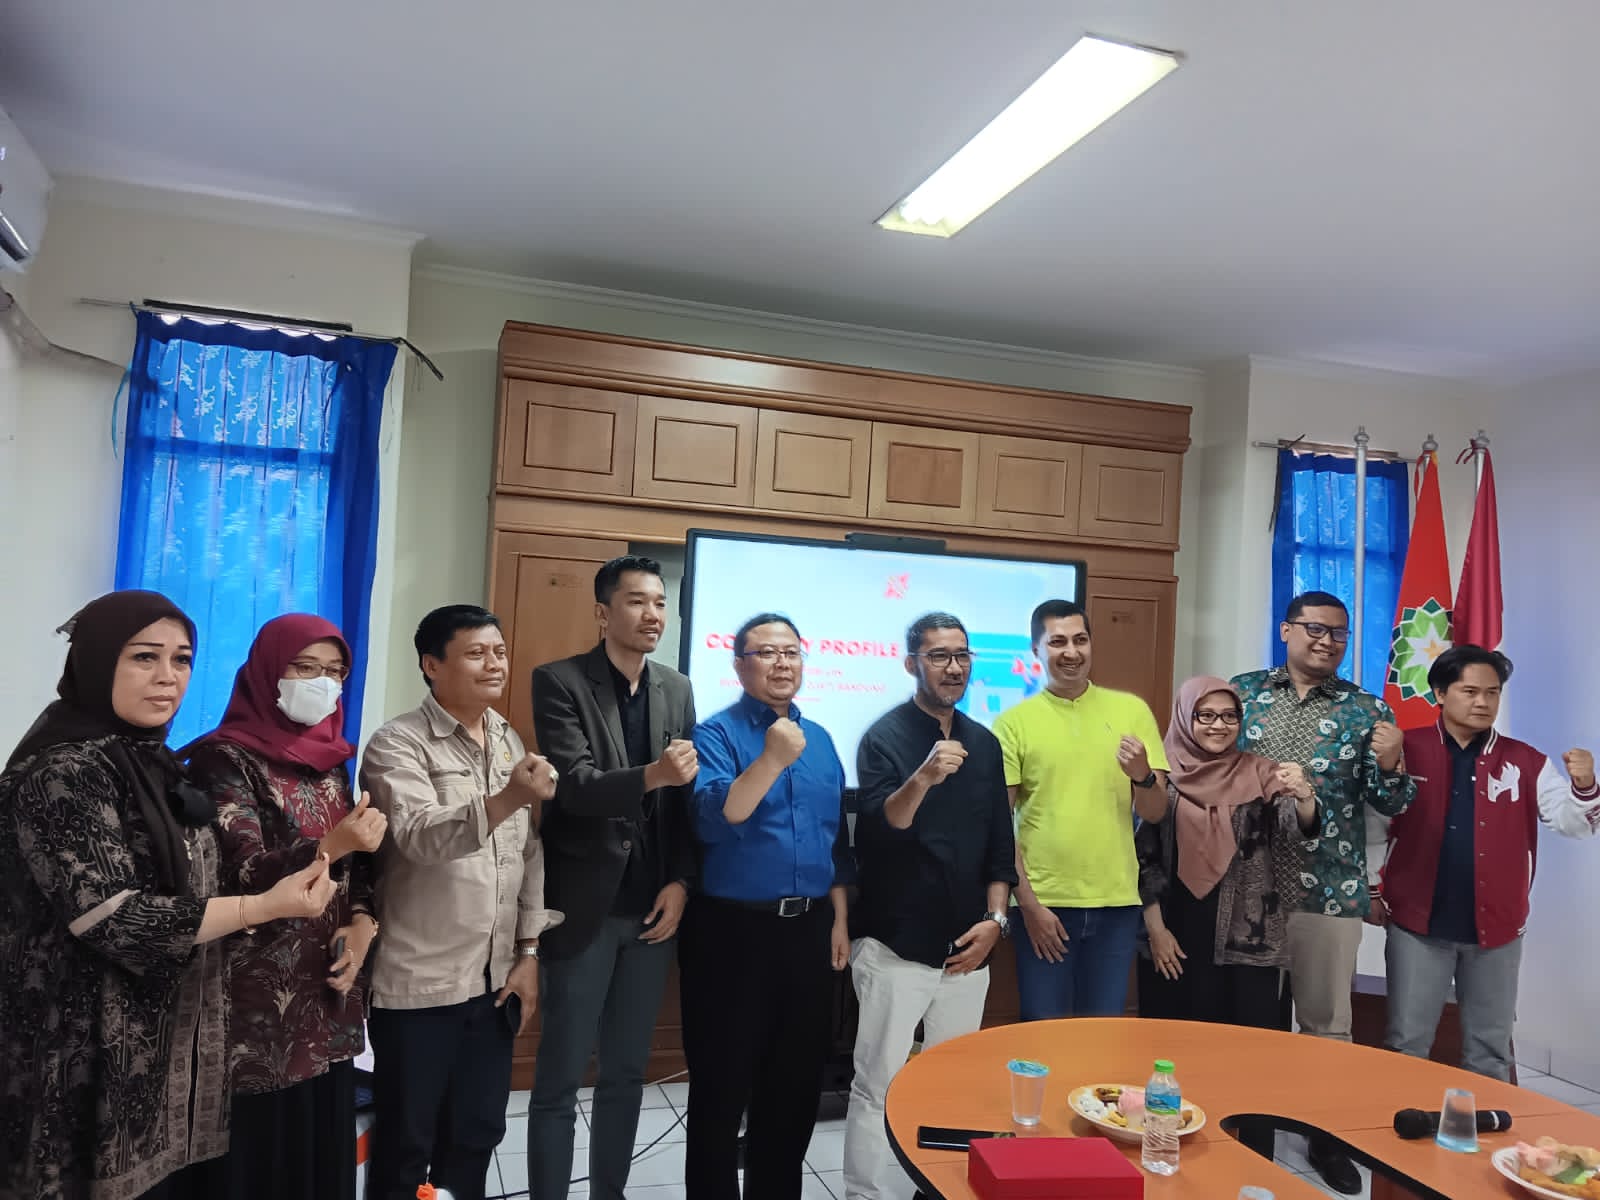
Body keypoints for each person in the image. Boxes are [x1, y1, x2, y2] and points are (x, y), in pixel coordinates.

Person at [0, 590, 336, 1200]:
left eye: (181, 660)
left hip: (155, 1046)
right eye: (143, 657)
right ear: (97, 661)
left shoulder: (154, 764)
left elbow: (209, 875)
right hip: (78, 1043)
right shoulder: (63, 773)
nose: (167, 676)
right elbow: (113, 919)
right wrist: (264, 907)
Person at [359, 604, 562, 1200]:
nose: (494, 663)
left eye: (498, 651)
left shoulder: (506, 738)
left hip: (494, 981)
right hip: (422, 983)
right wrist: (507, 798)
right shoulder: (397, 743)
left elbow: (527, 853)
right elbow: (420, 838)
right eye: (476, 653)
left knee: (475, 1136)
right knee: (406, 1146)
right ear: (432, 665)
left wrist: (529, 952)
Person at [184, 613, 388, 1200]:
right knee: (261, 1159)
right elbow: (241, 871)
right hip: (256, 997)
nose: (322, 683)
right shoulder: (224, 759)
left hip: (327, 991)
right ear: (268, 670)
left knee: (319, 1153)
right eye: (304, 667)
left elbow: (360, 868)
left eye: (335, 672)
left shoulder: (332, 760)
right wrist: (332, 846)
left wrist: (363, 923)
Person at [526, 556, 700, 1200]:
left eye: (659, 603)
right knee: (560, 1078)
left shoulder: (676, 688)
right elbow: (573, 787)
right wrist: (654, 774)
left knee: (627, 1073)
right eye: (636, 602)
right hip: (584, 909)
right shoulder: (560, 680)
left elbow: (684, 802)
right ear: (603, 613)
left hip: (652, 907)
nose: (652, 615)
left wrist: (681, 881)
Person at [1231, 589, 1414, 1195]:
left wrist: (1392, 764)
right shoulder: (1242, 694)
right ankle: (1249, 1131)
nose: (1326, 641)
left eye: (1338, 633)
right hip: (1247, 885)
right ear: (1286, 630)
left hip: (1330, 886)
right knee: (1250, 1024)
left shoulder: (1367, 709)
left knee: (1327, 1024)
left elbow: (1391, 804)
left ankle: (1326, 1138)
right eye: (1314, 628)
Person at [681, 612, 855, 1200]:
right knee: (721, 1087)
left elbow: (834, 840)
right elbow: (717, 817)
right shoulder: (716, 733)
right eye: (767, 653)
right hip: (732, 934)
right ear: (739, 666)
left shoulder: (821, 739)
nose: (783, 663)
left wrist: (839, 919)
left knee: (794, 1086)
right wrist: (772, 759)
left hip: (807, 931)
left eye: (792, 652)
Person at [843, 612, 1016, 1200]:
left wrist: (996, 921)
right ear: (911, 662)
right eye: (939, 655)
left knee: (953, 1085)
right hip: (895, 945)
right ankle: (865, 1193)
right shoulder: (883, 737)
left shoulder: (984, 743)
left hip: (968, 946)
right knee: (878, 1083)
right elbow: (882, 826)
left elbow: (1000, 845)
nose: (953, 667)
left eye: (962, 655)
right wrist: (922, 777)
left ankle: (937, 1190)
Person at [1371, 645, 1600, 1081]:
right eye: (1470, 691)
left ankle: (1486, 1125)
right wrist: (1370, 888)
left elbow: (1574, 824)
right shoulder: (1407, 748)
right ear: (1440, 693)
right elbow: (1375, 824)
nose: (1483, 702)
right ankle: (1400, 1121)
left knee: (1491, 1050)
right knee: (1406, 1044)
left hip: (1497, 929)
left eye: (1492, 693)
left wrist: (1585, 785)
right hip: (1417, 924)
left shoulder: (1526, 760)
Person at [994, 599, 1169, 1020]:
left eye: (1080, 640)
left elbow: (1156, 811)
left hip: (1117, 904)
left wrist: (1142, 774)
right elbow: (1000, 825)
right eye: (1058, 642)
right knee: (1043, 1031)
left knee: (1102, 1033)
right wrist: (1029, 906)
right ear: (1036, 650)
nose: (1071, 652)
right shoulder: (1013, 723)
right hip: (1045, 905)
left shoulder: (1131, 711)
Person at [1135, 676, 1319, 1030]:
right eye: (1205, 715)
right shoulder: (1160, 775)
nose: (1218, 725)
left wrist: (1305, 796)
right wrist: (1156, 931)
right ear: (1184, 716)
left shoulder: (1261, 772)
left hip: (1248, 941)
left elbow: (1295, 826)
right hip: (1173, 934)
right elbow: (1144, 857)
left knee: (1248, 1047)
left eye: (1229, 716)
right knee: (1174, 1041)